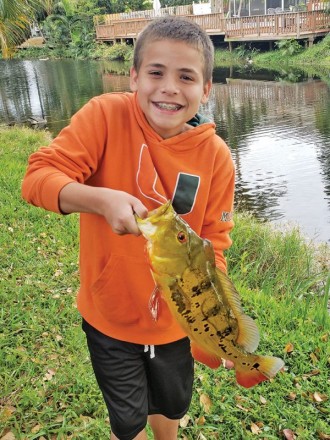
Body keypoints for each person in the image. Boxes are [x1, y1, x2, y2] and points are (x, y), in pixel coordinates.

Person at [22, 16, 235, 440]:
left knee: (171, 405)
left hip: (178, 325)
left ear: (206, 89)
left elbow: (215, 245)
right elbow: (37, 177)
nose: (169, 87)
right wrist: (100, 200)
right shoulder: (105, 116)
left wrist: (221, 318)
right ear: (134, 76)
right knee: (127, 418)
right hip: (110, 319)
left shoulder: (218, 158)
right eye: (156, 72)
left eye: (186, 76)